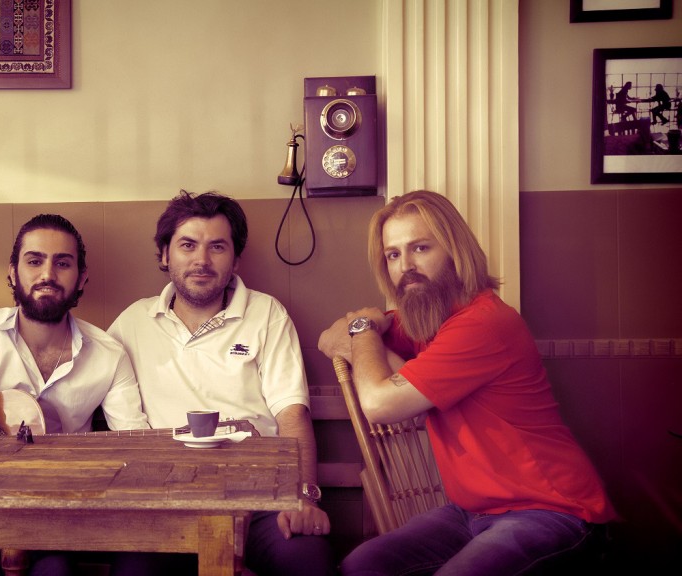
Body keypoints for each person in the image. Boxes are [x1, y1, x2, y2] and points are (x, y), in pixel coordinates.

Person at [318, 190, 616, 575]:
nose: (405, 266)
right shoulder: (427, 319)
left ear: (455, 250)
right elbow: (329, 338)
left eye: (420, 248)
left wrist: (365, 332)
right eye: (393, 255)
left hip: (551, 510)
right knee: (361, 567)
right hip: (471, 512)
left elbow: (378, 403)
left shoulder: (483, 323)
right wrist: (372, 339)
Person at [107, 191, 335, 576]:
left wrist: (304, 497)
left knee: (309, 563)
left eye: (217, 246)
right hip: (166, 504)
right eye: (187, 245)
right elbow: (89, 376)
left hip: (260, 502)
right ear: (165, 255)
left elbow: (292, 414)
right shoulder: (132, 322)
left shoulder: (266, 314)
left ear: (235, 259)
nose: (202, 260)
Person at [0, 213, 149, 575]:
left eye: (63, 263)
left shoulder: (109, 354)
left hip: (73, 509)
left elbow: (136, 445)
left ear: (82, 277)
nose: (48, 275)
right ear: (12, 272)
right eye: (34, 261)